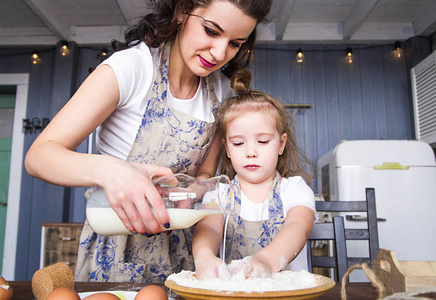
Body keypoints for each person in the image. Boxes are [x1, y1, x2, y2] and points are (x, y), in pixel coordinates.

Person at [25, 0, 272, 282]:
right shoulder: (132, 68)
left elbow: (204, 174)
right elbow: (38, 157)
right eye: (211, 31)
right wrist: (111, 171)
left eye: (235, 43)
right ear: (182, 12)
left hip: (185, 256)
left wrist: (196, 188)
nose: (219, 53)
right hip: (117, 253)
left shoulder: (220, 92)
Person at [192, 68, 316, 280]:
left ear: (281, 144)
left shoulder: (294, 189)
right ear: (227, 149)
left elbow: (298, 227)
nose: (250, 152)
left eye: (263, 141)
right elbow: (209, 230)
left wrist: (266, 261)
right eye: (238, 143)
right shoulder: (219, 194)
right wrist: (203, 257)